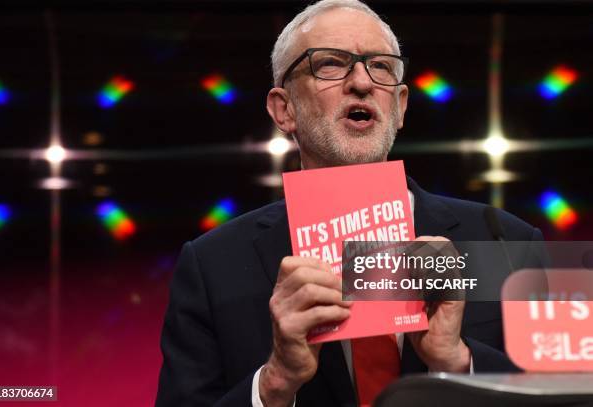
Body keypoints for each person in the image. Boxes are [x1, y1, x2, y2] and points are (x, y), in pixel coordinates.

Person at [156, 1, 542, 406]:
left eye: (381, 66)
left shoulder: (506, 244)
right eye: (330, 64)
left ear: (400, 106)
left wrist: (460, 363)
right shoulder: (213, 266)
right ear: (283, 109)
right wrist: (274, 383)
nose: (362, 82)